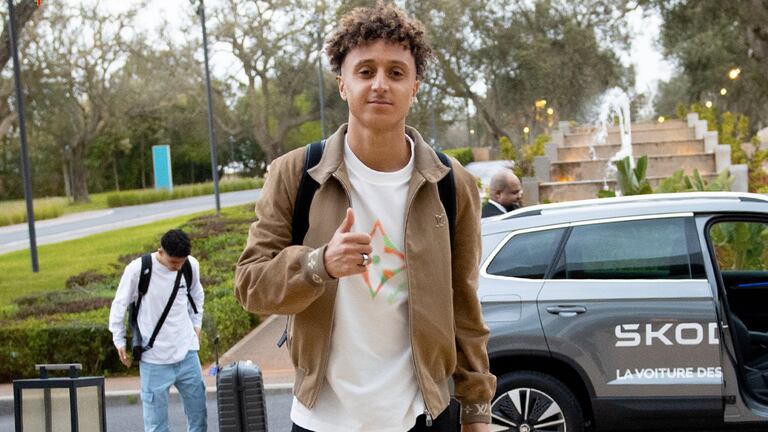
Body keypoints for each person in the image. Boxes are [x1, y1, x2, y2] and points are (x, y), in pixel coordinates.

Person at [234, 3, 495, 432]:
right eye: (365, 71)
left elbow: (464, 305)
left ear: (415, 87)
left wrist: (477, 410)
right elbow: (250, 286)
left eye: (396, 72)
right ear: (343, 84)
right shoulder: (296, 173)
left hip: (423, 415)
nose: (380, 84)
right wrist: (318, 264)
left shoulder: (452, 184)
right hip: (321, 418)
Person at [108, 229, 207, 432]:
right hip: (154, 359)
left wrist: (196, 325)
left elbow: (197, 295)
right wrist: (119, 340)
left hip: (187, 353)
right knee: (156, 426)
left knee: (199, 418)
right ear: (160, 252)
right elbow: (119, 305)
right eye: (173, 262)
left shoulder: (190, 265)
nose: (177, 267)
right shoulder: (139, 269)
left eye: (181, 262)